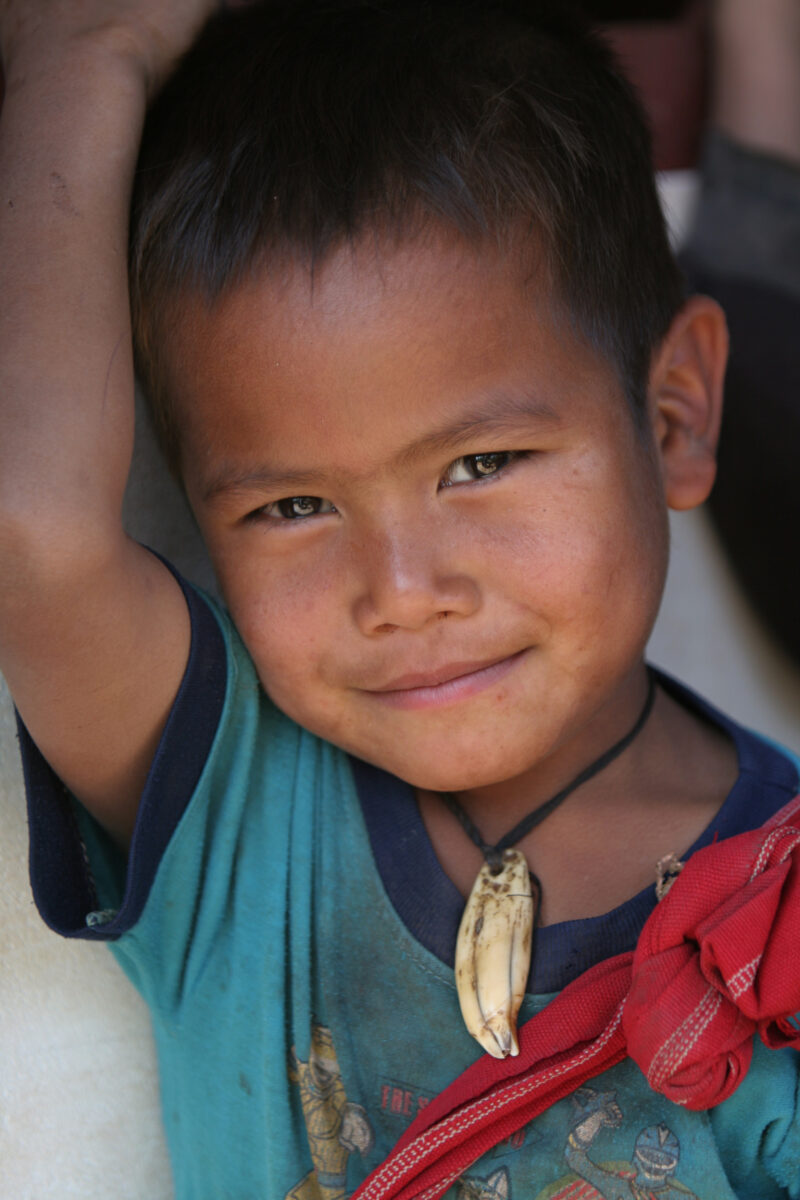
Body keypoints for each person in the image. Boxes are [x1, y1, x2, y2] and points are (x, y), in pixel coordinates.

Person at [0, 3, 798, 1199]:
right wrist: (82, 51)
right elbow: (36, 533)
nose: (402, 594)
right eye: (290, 508)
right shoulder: (236, 808)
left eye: (480, 466)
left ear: (672, 413)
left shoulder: (777, 912)